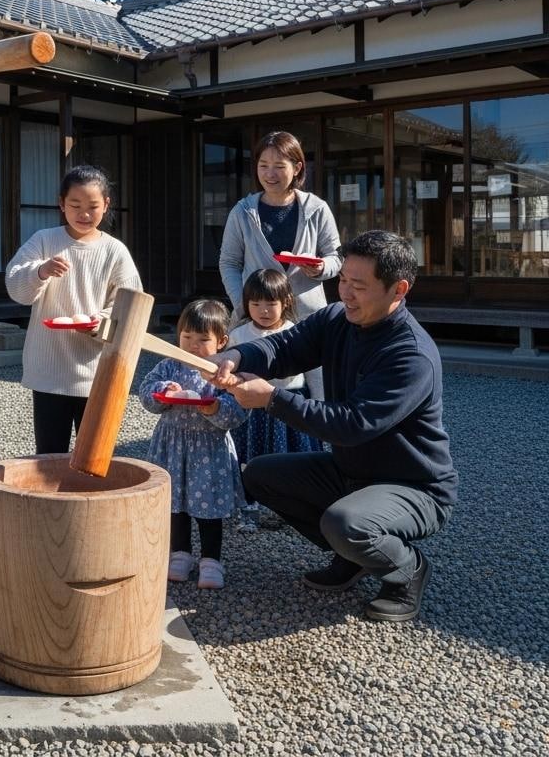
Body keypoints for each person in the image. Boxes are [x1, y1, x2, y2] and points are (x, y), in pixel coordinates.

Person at [211, 230, 458, 623]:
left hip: (414, 486)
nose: (345, 293)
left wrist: (271, 399)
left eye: (358, 286)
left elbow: (352, 424)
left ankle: (406, 570)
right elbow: (283, 347)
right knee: (259, 475)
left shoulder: (410, 354)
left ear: (398, 289)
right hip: (351, 472)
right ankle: (354, 554)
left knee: (345, 523)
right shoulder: (336, 319)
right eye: (342, 280)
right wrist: (238, 356)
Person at [5, 164, 142, 454]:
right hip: (49, 369)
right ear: (61, 204)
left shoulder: (114, 250)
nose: (84, 214)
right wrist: (40, 271)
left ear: (106, 205)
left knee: (92, 455)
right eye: (75, 205)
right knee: (49, 454)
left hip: (96, 370)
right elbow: (16, 286)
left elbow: (132, 302)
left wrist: (100, 321)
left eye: (93, 206)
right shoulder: (45, 240)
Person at [218, 130, 342, 400]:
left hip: (308, 315)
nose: (269, 174)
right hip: (257, 315)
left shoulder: (316, 208)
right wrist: (243, 302)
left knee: (317, 393)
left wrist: (321, 267)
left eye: (278, 166)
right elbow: (229, 262)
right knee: (249, 386)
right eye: (263, 165)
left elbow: (336, 256)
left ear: (297, 168)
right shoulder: (243, 211)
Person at [137, 299, 248, 589]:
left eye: (203, 340)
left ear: (222, 341)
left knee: (209, 506)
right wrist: (164, 390)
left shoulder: (223, 373)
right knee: (176, 504)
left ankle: (211, 560)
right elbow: (146, 392)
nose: (193, 346)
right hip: (172, 445)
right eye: (187, 337)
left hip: (209, 448)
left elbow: (239, 410)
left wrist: (214, 408)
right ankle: (180, 554)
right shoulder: (168, 366)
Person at [228, 268, 322, 532]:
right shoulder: (239, 334)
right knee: (248, 458)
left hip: (289, 406)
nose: (264, 310)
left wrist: (320, 403)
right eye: (256, 303)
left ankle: (291, 511)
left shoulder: (297, 332)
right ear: (246, 304)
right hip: (250, 410)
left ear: (286, 302)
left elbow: (315, 372)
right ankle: (249, 509)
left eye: (270, 303)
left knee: (290, 460)